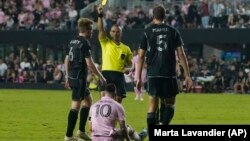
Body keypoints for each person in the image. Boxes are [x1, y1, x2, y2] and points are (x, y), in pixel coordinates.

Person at [136, 5, 192, 140]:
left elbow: (141, 55)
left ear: (153, 16)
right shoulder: (173, 31)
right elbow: (181, 53)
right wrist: (187, 75)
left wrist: (138, 77)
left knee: (152, 105)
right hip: (168, 73)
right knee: (170, 104)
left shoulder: (147, 31)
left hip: (153, 73)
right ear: (165, 16)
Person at [64, 17, 106, 141]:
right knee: (75, 106)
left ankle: (81, 131)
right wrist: (101, 77)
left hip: (72, 76)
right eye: (91, 30)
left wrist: (67, 76)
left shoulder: (72, 41)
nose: (92, 32)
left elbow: (66, 60)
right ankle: (68, 136)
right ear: (86, 30)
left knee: (88, 101)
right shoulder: (85, 43)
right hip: (79, 78)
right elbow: (89, 63)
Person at [97, 5, 133, 103]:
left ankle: (114, 118)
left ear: (121, 33)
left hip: (119, 75)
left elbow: (131, 64)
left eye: (118, 32)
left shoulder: (126, 48)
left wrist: (129, 69)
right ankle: (99, 118)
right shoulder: (105, 42)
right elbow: (101, 29)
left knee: (118, 101)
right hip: (106, 74)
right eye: (113, 31)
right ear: (110, 33)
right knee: (104, 101)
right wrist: (100, 15)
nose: (115, 33)